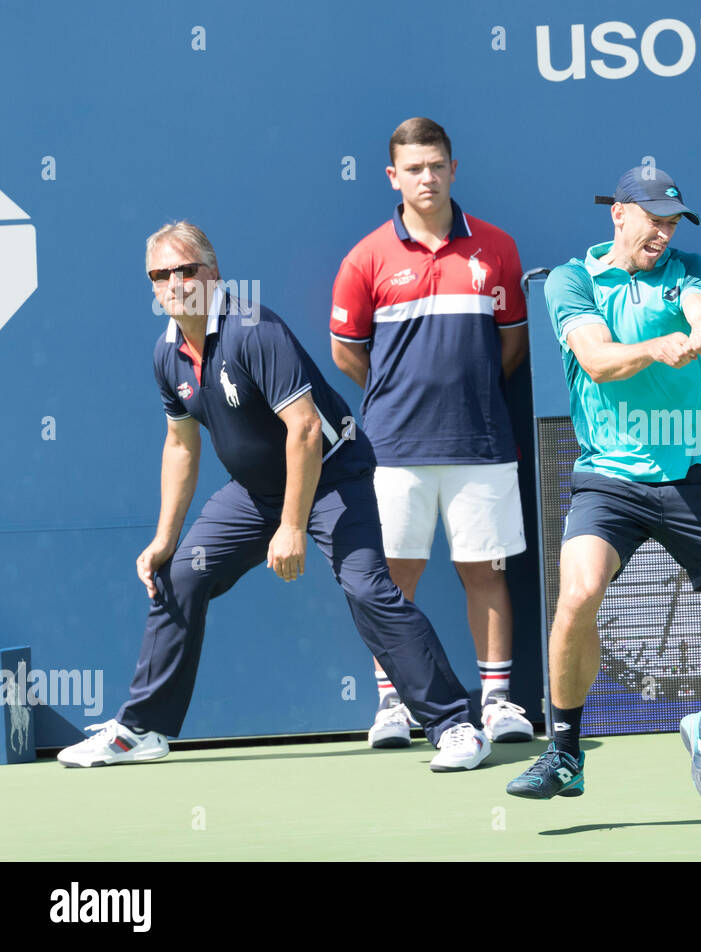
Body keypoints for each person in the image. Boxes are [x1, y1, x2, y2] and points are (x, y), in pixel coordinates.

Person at [56, 222, 490, 772]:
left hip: (334, 477)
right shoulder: (167, 354)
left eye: (186, 270)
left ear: (212, 275)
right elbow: (180, 445)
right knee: (179, 575)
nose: (175, 283)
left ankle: (454, 726)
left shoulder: (255, 330)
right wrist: (165, 538)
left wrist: (291, 526)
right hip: (256, 491)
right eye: (160, 275)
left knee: (365, 587)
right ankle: (142, 730)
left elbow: (306, 431)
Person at [506, 167, 701, 812]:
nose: (663, 233)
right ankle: (563, 752)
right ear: (618, 214)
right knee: (579, 594)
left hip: (692, 479)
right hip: (609, 477)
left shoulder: (688, 267)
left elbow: (698, 308)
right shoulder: (572, 280)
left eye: (672, 222)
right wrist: (659, 345)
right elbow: (596, 360)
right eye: (653, 220)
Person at [331, 118, 532, 749]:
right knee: (394, 577)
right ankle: (394, 705)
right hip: (393, 449)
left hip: (481, 444)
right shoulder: (365, 258)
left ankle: (497, 702)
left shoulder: (496, 248)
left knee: (485, 570)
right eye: (413, 168)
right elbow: (348, 354)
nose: (427, 177)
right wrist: (401, 399)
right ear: (393, 176)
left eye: (436, 165)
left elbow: (512, 344)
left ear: (452, 168)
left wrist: (462, 397)